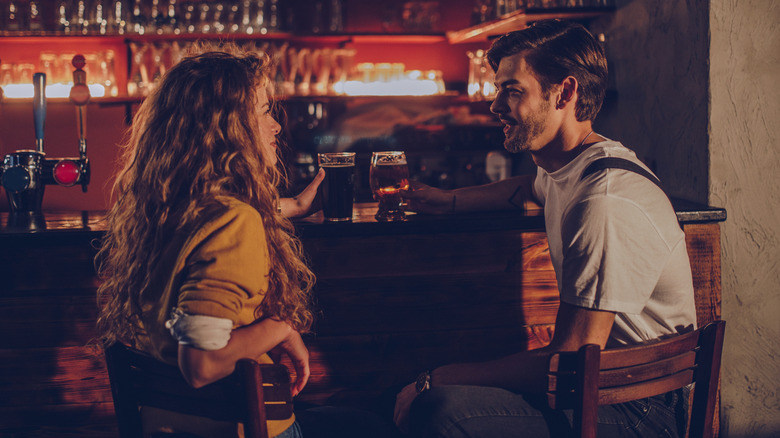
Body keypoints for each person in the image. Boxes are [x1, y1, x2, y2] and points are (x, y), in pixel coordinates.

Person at [394, 20, 696, 437]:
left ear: (565, 93)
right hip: (603, 388)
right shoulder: (570, 167)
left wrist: (439, 377)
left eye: (512, 90)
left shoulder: (605, 200)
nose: (495, 105)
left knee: (442, 410)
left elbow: (571, 361)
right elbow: (527, 189)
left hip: (640, 407)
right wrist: (448, 201)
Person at [95, 44, 326, 438]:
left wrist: (294, 206)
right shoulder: (235, 221)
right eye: (264, 111)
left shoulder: (164, 210)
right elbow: (202, 364)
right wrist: (283, 326)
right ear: (227, 129)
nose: (276, 126)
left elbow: (218, 220)